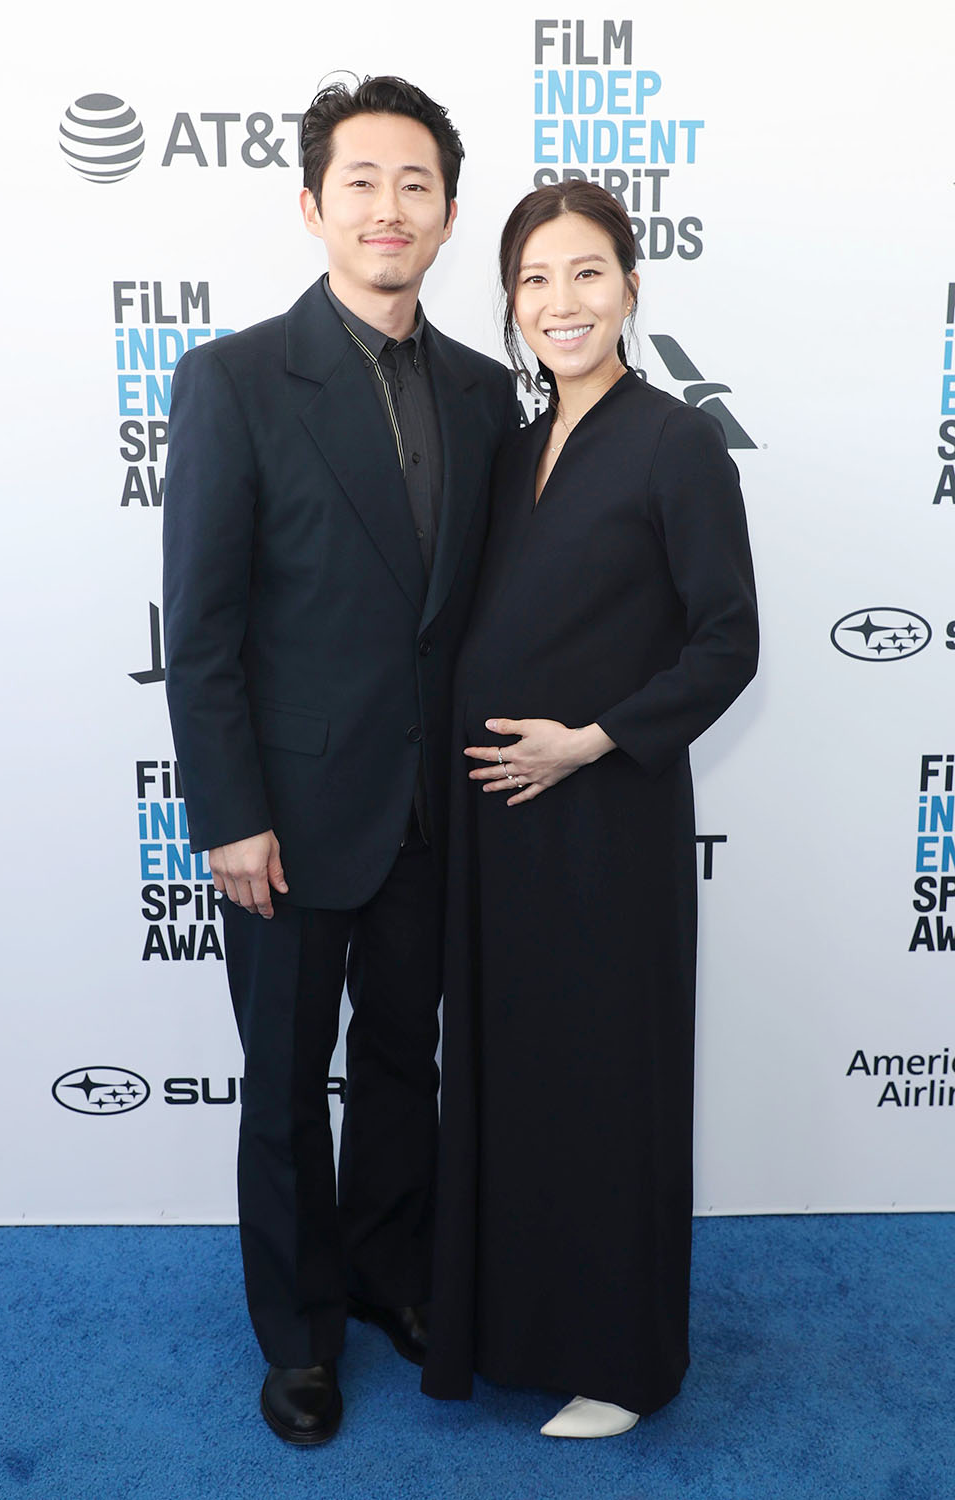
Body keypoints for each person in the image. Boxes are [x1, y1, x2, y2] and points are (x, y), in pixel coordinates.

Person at [162, 76, 518, 1447]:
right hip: (290, 823)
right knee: (285, 1080)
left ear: (444, 215)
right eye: (362, 181)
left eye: (416, 184)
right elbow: (202, 626)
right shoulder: (236, 381)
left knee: (400, 1071)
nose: (389, 207)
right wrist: (231, 814)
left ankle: (387, 1273)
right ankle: (301, 1331)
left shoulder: (490, 396)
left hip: (436, 811)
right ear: (314, 206)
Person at [421, 181, 759, 1437]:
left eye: (585, 273)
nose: (560, 302)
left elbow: (727, 644)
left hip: (603, 827)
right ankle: (511, 1331)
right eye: (533, 280)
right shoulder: (514, 448)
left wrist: (591, 742)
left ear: (630, 287)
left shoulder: (674, 441)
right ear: (509, 304)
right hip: (497, 833)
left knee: (606, 1083)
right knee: (514, 1083)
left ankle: (620, 1363)